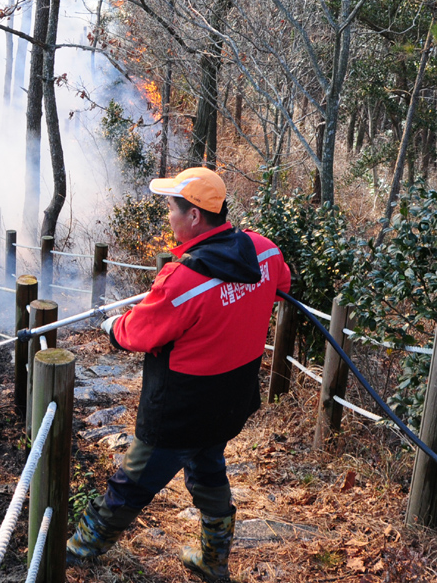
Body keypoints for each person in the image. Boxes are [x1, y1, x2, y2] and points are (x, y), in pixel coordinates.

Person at [66, 167, 290, 581]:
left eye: (171, 208)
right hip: (230, 400)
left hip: (180, 407)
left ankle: (76, 553)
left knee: (132, 481)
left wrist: (110, 326)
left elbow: (136, 333)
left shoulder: (183, 280)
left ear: (195, 217)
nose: (167, 215)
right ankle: (213, 560)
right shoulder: (265, 251)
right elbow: (282, 283)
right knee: (208, 468)